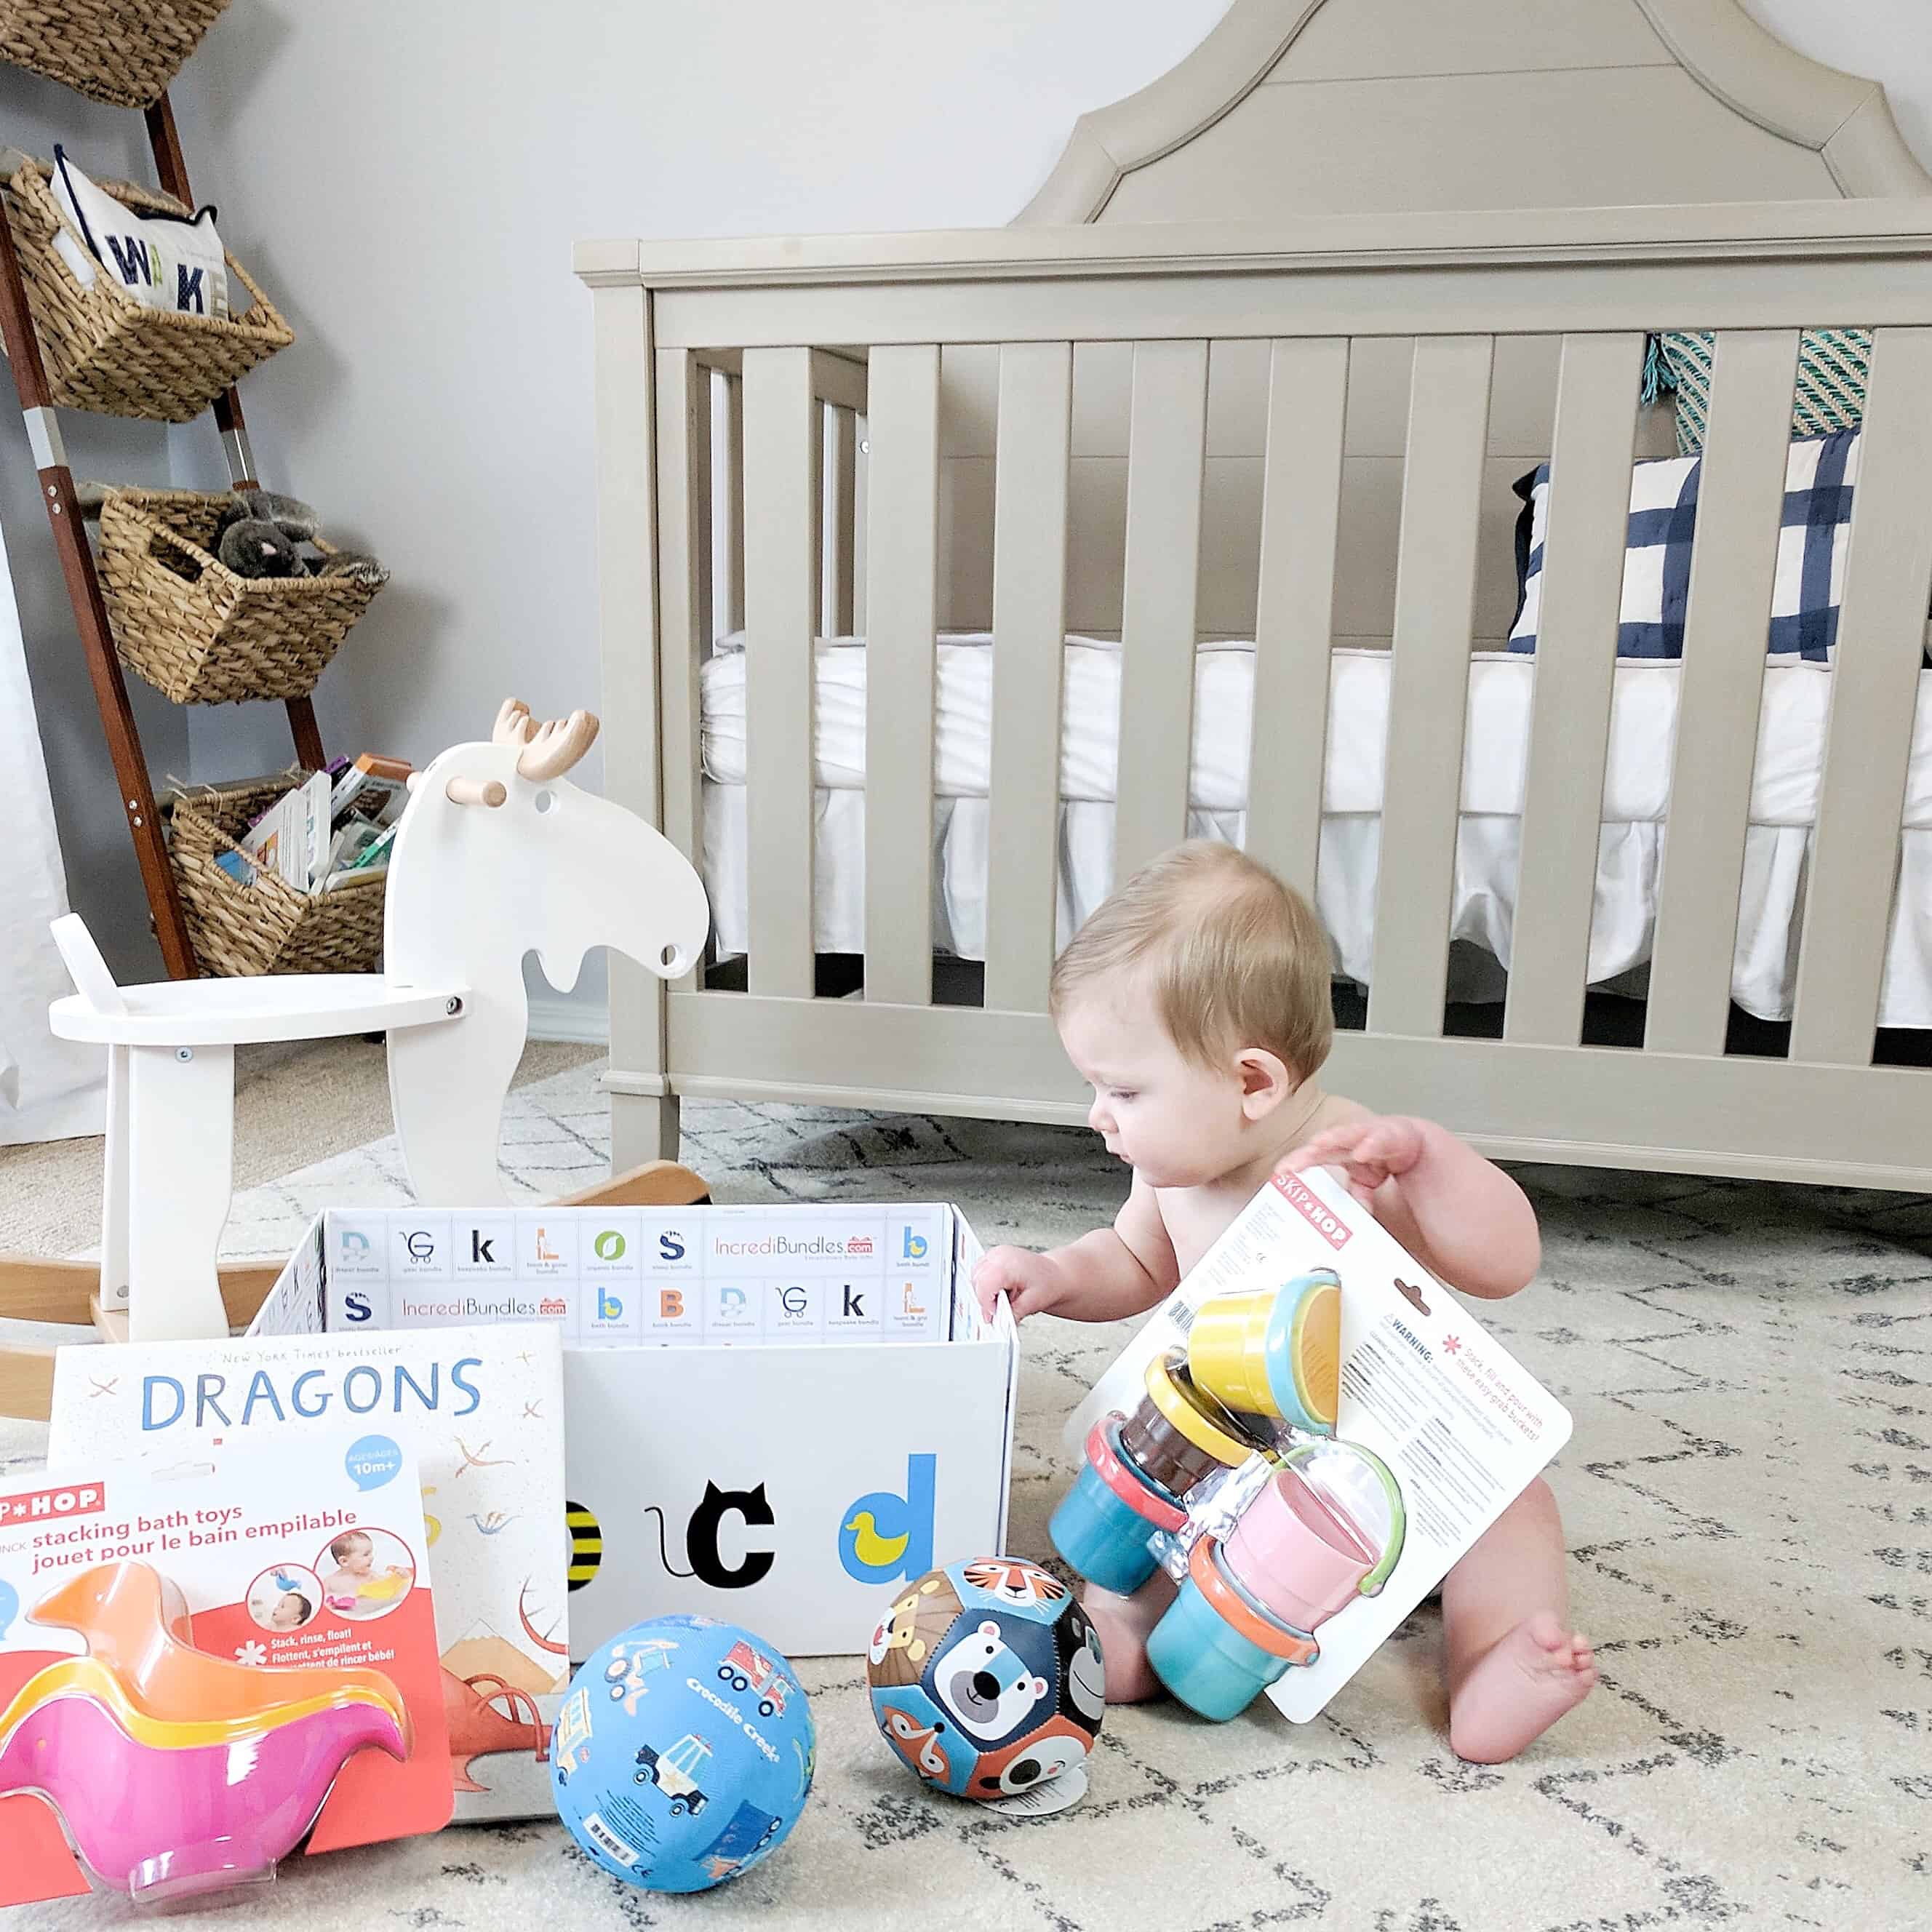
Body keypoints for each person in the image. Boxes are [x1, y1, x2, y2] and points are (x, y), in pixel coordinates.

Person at [973, 840, 1594, 1763]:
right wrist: (1060, 1274)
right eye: (1095, 1088)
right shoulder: (1173, 1174)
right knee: (1142, 1502)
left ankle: (1495, 1661)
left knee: (1514, 1508)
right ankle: (1130, 1630)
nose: (1096, 1115)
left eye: (1122, 1089)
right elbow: (1134, 1259)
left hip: (1385, 1445)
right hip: (1231, 1454)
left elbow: (1507, 1260)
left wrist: (1432, 1163)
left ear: (1253, 1082)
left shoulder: (1353, 1158)